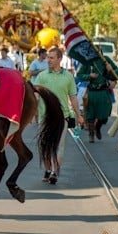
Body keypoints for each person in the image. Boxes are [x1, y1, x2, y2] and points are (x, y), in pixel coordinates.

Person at [33, 46, 80, 184]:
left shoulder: (68, 76)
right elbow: (36, 95)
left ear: (60, 59)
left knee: (59, 146)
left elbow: (73, 97)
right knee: (45, 146)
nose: (48, 60)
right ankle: (48, 169)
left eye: (52, 58)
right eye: (48, 57)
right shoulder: (42, 76)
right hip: (44, 117)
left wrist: (79, 114)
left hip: (62, 117)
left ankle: (54, 172)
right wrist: (31, 114)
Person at [75, 50, 118, 143]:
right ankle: (91, 134)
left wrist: (110, 70)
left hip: (103, 91)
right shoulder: (88, 62)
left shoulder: (106, 60)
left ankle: (97, 127)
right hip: (92, 91)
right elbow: (79, 75)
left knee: (104, 115)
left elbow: (116, 73)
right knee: (91, 114)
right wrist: (89, 76)